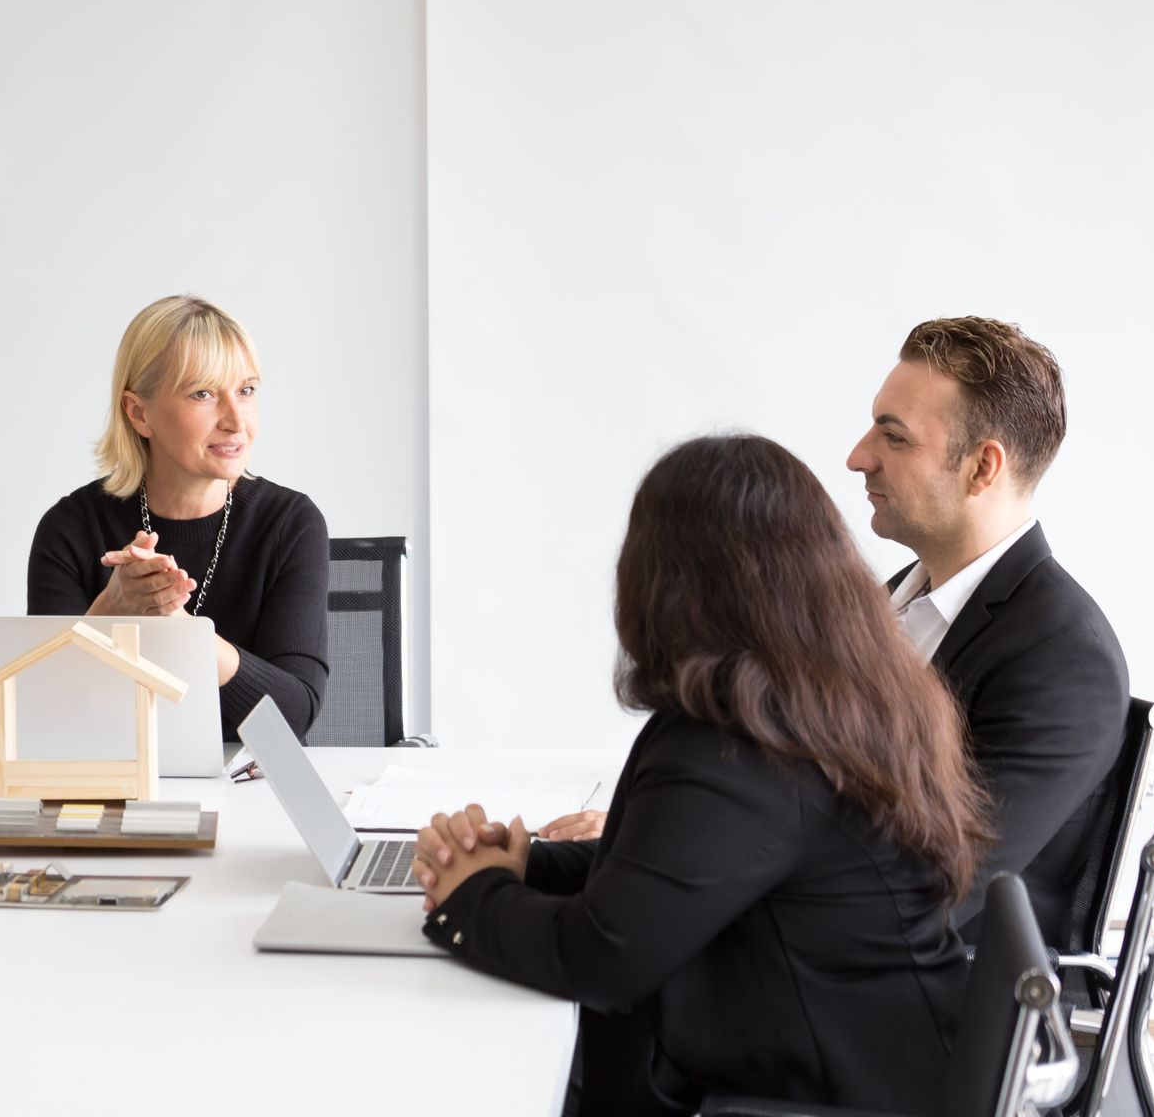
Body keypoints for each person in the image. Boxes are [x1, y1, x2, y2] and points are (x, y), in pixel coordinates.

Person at [413, 435, 988, 1115]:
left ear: (662, 578)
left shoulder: (746, 744)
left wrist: (469, 898)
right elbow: (677, 873)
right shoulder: (822, 702)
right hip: (881, 1070)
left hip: (823, 1097)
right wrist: (526, 866)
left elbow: (602, 959)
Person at [847, 316, 1126, 943]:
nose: (858, 457)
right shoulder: (887, 603)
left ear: (982, 468)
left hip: (920, 1010)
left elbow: (927, 889)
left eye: (893, 437)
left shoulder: (1064, 660)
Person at [27, 295, 328, 740]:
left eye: (245, 390)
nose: (235, 420)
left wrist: (179, 627)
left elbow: (295, 715)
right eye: (203, 393)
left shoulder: (290, 523)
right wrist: (112, 611)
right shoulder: (71, 527)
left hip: (246, 796)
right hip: (114, 788)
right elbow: (45, 717)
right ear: (139, 413)